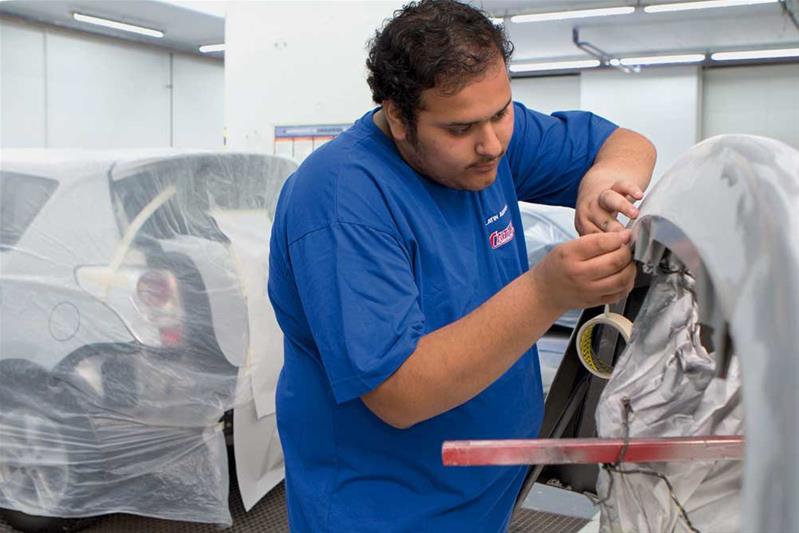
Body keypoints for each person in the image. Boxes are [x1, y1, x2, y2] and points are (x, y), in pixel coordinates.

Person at [267, 0, 656, 531]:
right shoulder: (341, 201)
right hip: (389, 506)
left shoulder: (486, 146)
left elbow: (627, 143)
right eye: (460, 128)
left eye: (502, 112)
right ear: (399, 118)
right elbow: (400, 394)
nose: (492, 144)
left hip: (481, 486)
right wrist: (547, 292)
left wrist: (603, 179)